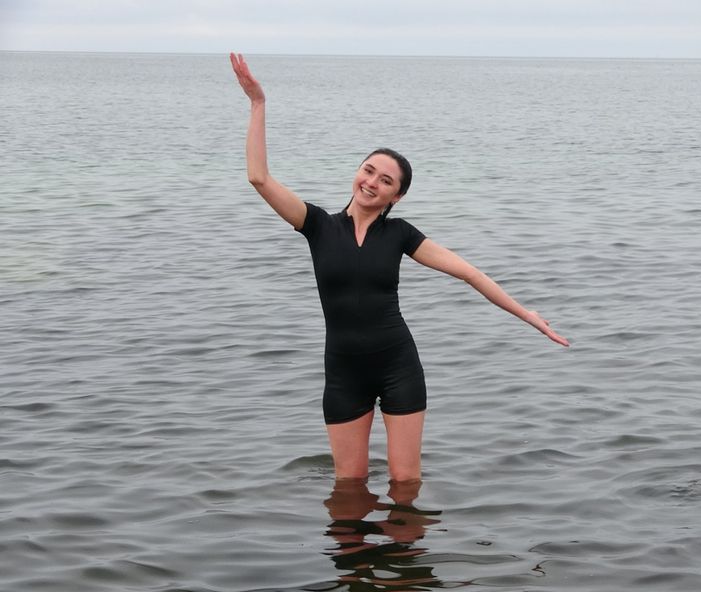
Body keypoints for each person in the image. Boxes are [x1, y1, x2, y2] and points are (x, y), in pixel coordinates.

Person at [230, 53, 569, 482]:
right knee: (348, 490)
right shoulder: (316, 225)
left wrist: (527, 315)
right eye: (369, 171)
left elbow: (469, 273)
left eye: (385, 181)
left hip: (398, 367)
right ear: (357, 171)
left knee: (405, 485)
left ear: (397, 197)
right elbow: (259, 178)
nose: (372, 182)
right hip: (343, 372)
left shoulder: (401, 235)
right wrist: (258, 104)